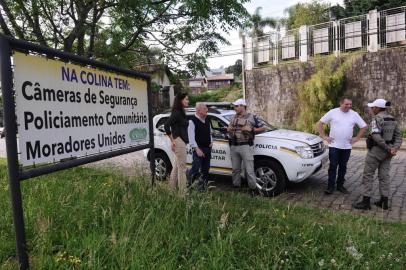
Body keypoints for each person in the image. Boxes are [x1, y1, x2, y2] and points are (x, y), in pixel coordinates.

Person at [353, 99, 402, 210]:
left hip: (376, 151)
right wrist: (394, 148)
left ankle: (366, 202)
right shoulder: (392, 119)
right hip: (388, 153)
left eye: (373, 107)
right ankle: (384, 202)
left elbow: (376, 137)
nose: (371, 109)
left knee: (368, 175)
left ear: (378, 108)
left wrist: (388, 148)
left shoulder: (376, 120)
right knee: (384, 176)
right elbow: (399, 136)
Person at [316, 97, 367, 195]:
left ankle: (340, 186)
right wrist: (324, 136)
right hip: (334, 145)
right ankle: (330, 187)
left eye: (350, 104)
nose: (349, 106)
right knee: (333, 166)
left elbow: (364, 127)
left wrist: (356, 138)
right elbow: (320, 123)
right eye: (347, 104)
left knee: (343, 167)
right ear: (341, 103)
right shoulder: (333, 112)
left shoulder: (354, 114)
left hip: (347, 146)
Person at [228, 99, 265, 193]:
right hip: (233, 146)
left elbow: (263, 128)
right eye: (234, 106)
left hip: (245, 146)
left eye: (236, 106)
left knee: (249, 170)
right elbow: (229, 129)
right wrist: (229, 129)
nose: (235, 108)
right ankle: (236, 187)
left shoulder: (252, 116)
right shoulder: (233, 117)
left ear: (242, 106)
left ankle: (253, 189)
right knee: (235, 169)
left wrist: (252, 129)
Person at [164, 92, 189, 195]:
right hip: (179, 141)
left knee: (176, 167)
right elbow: (166, 125)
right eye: (186, 99)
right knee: (182, 169)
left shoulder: (179, 112)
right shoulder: (177, 112)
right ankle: (182, 195)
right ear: (180, 100)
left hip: (179, 140)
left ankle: (171, 191)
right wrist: (173, 140)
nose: (188, 101)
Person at [187, 102, 212, 190]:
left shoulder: (207, 119)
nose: (207, 110)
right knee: (195, 168)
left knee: (206, 169)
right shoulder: (192, 121)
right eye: (205, 109)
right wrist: (197, 149)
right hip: (198, 149)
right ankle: (189, 186)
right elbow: (191, 137)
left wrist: (211, 141)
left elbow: (210, 132)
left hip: (207, 148)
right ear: (199, 110)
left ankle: (203, 188)